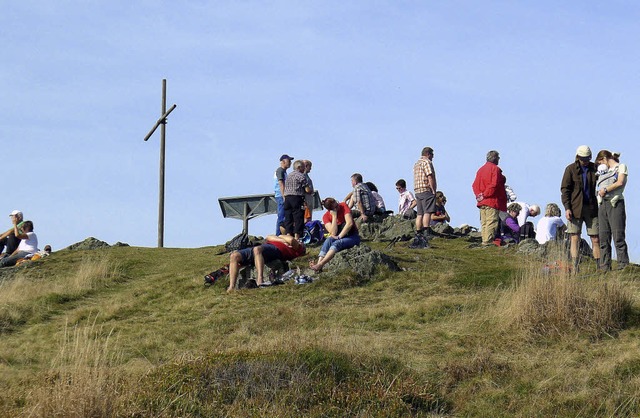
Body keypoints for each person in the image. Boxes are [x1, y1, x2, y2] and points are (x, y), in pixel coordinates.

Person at [561, 145, 600, 271]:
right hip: (575, 208)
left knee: (595, 238)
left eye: (587, 158)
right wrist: (567, 208)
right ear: (578, 157)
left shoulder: (595, 168)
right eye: (583, 158)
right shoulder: (570, 169)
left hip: (592, 208)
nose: (585, 161)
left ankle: (599, 266)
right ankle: (575, 266)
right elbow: (565, 190)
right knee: (575, 237)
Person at [224, 234, 306, 292]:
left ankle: (260, 279)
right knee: (234, 256)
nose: (299, 241)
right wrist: (281, 240)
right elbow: (268, 237)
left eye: (301, 242)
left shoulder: (298, 249)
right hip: (264, 247)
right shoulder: (283, 241)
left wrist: (281, 238)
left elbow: (291, 240)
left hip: (276, 251)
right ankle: (232, 286)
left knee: (257, 249)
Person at [595, 150, 629, 270]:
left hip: (615, 203)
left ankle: (623, 266)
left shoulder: (621, 167)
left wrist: (606, 190)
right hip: (602, 204)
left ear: (604, 159)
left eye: (599, 163)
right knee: (603, 237)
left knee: (618, 235)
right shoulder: (603, 171)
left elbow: (620, 182)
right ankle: (604, 267)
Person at [309, 197, 361, 272]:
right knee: (329, 240)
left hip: (353, 236)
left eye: (337, 203)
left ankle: (321, 264)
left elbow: (349, 223)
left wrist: (339, 236)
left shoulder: (343, 206)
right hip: (340, 237)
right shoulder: (326, 217)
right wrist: (334, 216)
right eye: (336, 207)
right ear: (330, 210)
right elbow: (333, 232)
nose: (338, 206)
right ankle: (318, 263)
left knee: (337, 243)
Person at [472, 150, 507, 246]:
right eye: (498, 157)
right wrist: (485, 194)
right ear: (495, 158)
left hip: (482, 201)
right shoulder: (495, 169)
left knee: (484, 222)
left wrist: (479, 195)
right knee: (491, 222)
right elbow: (494, 184)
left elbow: (475, 185)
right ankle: (487, 243)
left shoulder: (480, 169)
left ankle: (484, 241)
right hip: (492, 200)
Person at [411, 147, 437, 248]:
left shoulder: (416, 163)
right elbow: (429, 176)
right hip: (426, 189)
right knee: (427, 211)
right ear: (428, 154)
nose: (433, 157)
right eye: (432, 154)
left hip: (417, 190)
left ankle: (418, 231)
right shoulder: (426, 162)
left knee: (420, 213)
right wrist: (433, 189)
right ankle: (426, 229)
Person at [283, 160, 311, 239]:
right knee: (298, 217)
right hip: (296, 197)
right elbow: (307, 189)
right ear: (299, 167)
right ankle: (297, 237)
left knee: (288, 218)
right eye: (303, 167)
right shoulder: (301, 176)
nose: (304, 169)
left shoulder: (289, 175)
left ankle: (288, 236)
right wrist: (311, 191)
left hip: (287, 198)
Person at [274, 154, 293, 235]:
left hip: (282, 195)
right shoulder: (280, 171)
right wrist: (284, 196)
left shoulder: (284, 172)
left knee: (285, 216)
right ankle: (278, 235)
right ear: (283, 162)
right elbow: (281, 183)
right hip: (281, 196)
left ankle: (282, 233)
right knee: (281, 216)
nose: (290, 163)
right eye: (288, 161)